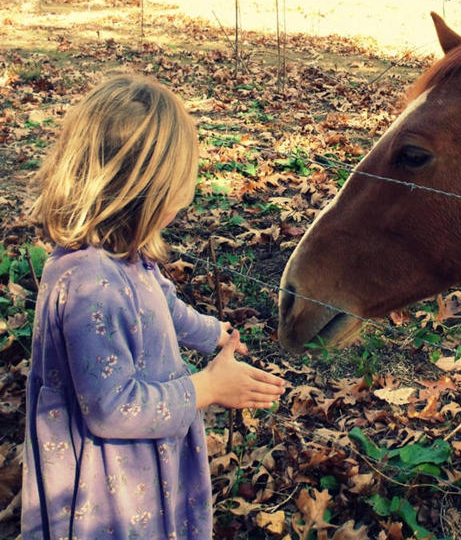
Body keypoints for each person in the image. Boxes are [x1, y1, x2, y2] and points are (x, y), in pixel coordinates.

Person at [22, 73, 286, 539]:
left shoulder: (123, 255)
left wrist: (213, 333)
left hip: (137, 460)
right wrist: (206, 388)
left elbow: (164, 301)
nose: (182, 202)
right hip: (111, 488)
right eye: (176, 188)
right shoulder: (93, 286)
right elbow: (112, 409)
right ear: (141, 192)